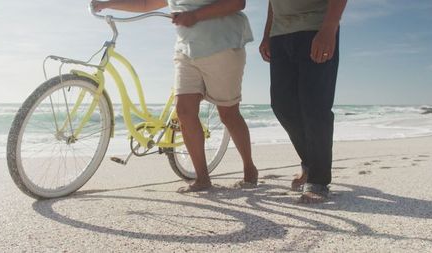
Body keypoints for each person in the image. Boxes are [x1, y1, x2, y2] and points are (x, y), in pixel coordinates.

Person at [92, 0, 258, 192]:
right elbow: (146, 4)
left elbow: (237, 2)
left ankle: (249, 168)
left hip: (222, 46)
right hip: (186, 50)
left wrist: (195, 15)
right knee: (184, 111)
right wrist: (106, 4)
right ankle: (202, 178)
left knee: (228, 113)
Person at [259, 0, 347, 203]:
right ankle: (311, 163)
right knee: (282, 105)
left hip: (315, 28)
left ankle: (318, 181)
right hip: (280, 35)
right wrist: (267, 35)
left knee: (315, 106)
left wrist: (328, 29)